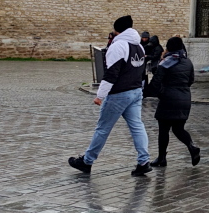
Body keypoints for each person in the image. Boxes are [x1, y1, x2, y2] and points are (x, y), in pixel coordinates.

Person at [69, 15, 151, 176]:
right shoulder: (139, 46)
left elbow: (111, 73)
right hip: (135, 91)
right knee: (137, 126)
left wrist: (100, 95)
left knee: (103, 128)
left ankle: (87, 161)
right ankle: (144, 160)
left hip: (119, 93)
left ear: (117, 30)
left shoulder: (119, 46)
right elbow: (141, 71)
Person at [149, 37, 200, 167]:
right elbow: (191, 80)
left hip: (168, 99)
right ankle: (191, 146)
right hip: (184, 99)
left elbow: (156, 82)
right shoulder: (187, 62)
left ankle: (161, 158)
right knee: (178, 128)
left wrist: (146, 93)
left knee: (164, 129)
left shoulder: (166, 62)